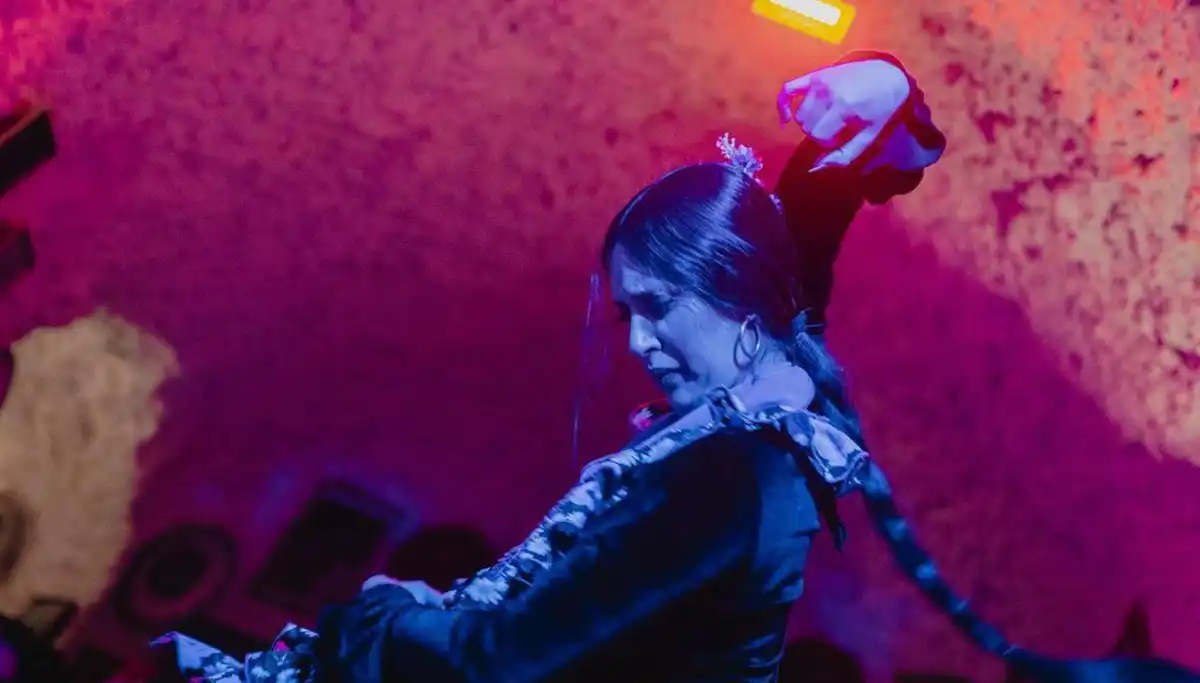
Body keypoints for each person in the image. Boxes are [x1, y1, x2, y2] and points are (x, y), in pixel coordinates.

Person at [153, 54, 1197, 683]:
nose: (639, 343)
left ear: (735, 290)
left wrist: (370, 613)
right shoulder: (761, 403)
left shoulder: (734, 475)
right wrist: (851, 132)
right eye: (626, 312)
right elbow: (795, 264)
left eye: (658, 308)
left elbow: (502, 662)